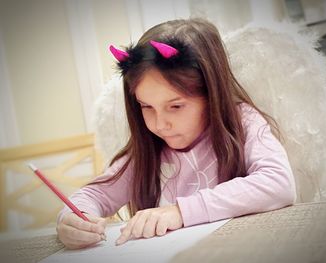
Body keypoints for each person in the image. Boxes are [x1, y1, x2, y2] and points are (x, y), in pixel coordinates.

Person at [56, 18, 296, 249]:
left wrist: (180, 212)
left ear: (211, 95)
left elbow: (279, 183)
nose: (160, 124)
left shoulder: (243, 121)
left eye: (176, 106)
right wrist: (75, 218)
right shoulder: (148, 149)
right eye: (146, 106)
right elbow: (94, 195)